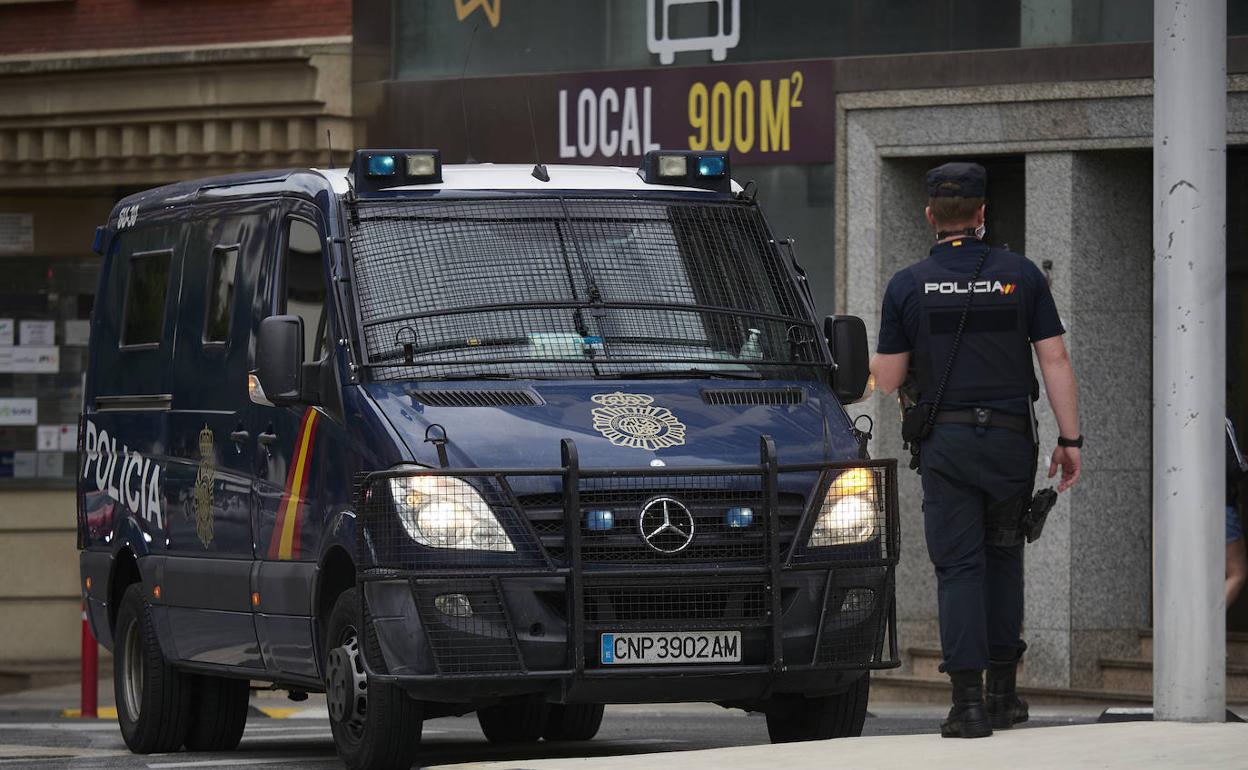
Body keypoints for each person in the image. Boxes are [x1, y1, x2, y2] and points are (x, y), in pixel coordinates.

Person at [869, 162, 1082, 739]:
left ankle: (966, 706)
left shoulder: (908, 284)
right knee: (1004, 557)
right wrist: (1070, 439)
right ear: (983, 213)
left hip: (948, 444)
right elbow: (1054, 359)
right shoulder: (1022, 276)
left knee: (959, 566)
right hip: (1011, 439)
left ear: (931, 215)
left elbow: (886, 381)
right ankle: (1004, 696)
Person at [1227, 417, 1248, 606]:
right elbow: (1237, 465)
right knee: (1237, 572)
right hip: (1222, 505)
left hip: (1185, 509)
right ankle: (1206, 623)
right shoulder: (1223, 421)